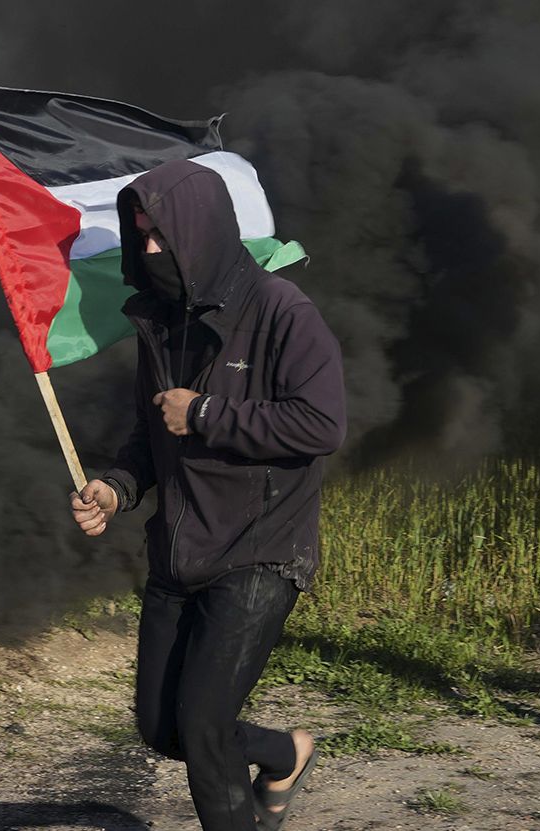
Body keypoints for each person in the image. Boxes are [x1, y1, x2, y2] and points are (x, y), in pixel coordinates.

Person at [68, 158, 346, 831]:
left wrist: (205, 413)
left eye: (160, 234)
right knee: (161, 727)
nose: (150, 248)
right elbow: (150, 432)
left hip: (260, 547)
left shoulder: (283, 311)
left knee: (204, 726)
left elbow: (322, 423)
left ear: (202, 231)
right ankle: (286, 753)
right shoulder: (159, 322)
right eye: (141, 236)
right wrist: (116, 486)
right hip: (179, 549)